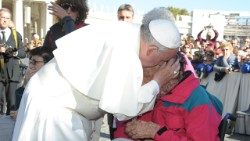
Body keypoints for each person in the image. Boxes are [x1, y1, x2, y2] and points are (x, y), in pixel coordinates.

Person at [12, 7, 181, 141]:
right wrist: (157, 82)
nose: (162, 65)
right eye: (162, 61)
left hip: (62, 108)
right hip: (55, 111)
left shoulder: (130, 34)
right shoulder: (124, 50)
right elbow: (123, 110)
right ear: (151, 50)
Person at [114, 53, 223, 141]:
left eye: (149, 77)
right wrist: (130, 133)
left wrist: (156, 132)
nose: (144, 83)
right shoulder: (154, 93)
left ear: (172, 73)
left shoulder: (197, 99)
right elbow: (124, 128)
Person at [0, 8, 26, 115]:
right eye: (2, 17)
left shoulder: (16, 35)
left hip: (12, 74)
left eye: (7, 18)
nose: (5, 20)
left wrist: (13, 53)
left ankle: (10, 129)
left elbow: (23, 53)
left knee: (12, 104)